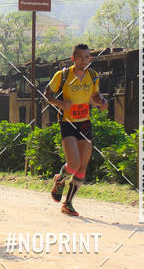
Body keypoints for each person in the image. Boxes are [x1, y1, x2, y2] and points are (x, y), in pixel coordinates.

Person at [45, 44, 107, 217]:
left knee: (82, 168)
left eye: (87, 57)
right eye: (80, 57)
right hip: (68, 123)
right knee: (73, 164)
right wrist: (61, 104)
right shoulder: (63, 75)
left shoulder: (93, 76)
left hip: (85, 122)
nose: (85, 61)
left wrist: (101, 101)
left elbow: (94, 96)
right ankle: (60, 179)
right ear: (73, 59)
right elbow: (47, 94)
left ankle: (68, 203)